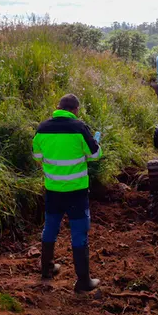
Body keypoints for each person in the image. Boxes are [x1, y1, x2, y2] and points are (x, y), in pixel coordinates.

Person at [32, 93, 103, 292]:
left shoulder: (42, 128)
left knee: (51, 226)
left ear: (59, 107)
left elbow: (37, 155)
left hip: (53, 190)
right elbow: (95, 155)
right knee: (79, 232)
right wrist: (96, 144)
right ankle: (83, 281)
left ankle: (46, 269)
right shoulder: (79, 128)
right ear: (75, 110)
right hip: (76, 192)